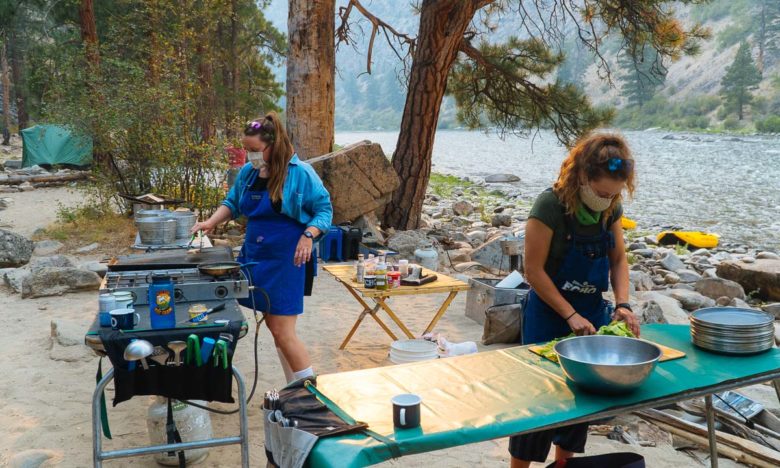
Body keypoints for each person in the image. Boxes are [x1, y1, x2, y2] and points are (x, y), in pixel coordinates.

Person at [509, 133, 641, 468]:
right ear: (583, 176)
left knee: (579, 399)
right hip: (548, 311)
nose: (606, 199)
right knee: (538, 402)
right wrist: (568, 314)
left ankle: (563, 465)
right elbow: (533, 271)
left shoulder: (609, 208)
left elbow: (618, 260)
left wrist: (622, 304)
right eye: (601, 192)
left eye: (613, 194)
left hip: (592, 312)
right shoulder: (550, 206)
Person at [192, 112, 332, 383]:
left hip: (286, 257)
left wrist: (308, 235)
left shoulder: (300, 173)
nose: (250, 156)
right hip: (256, 255)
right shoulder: (249, 172)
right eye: (247, 150)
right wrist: (210, 222)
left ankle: (312, 394)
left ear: (273, 145)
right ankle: (294, 387)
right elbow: (232, 203)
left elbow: (324, 210)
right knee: (273, 325)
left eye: (254, 150)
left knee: (283, 329)